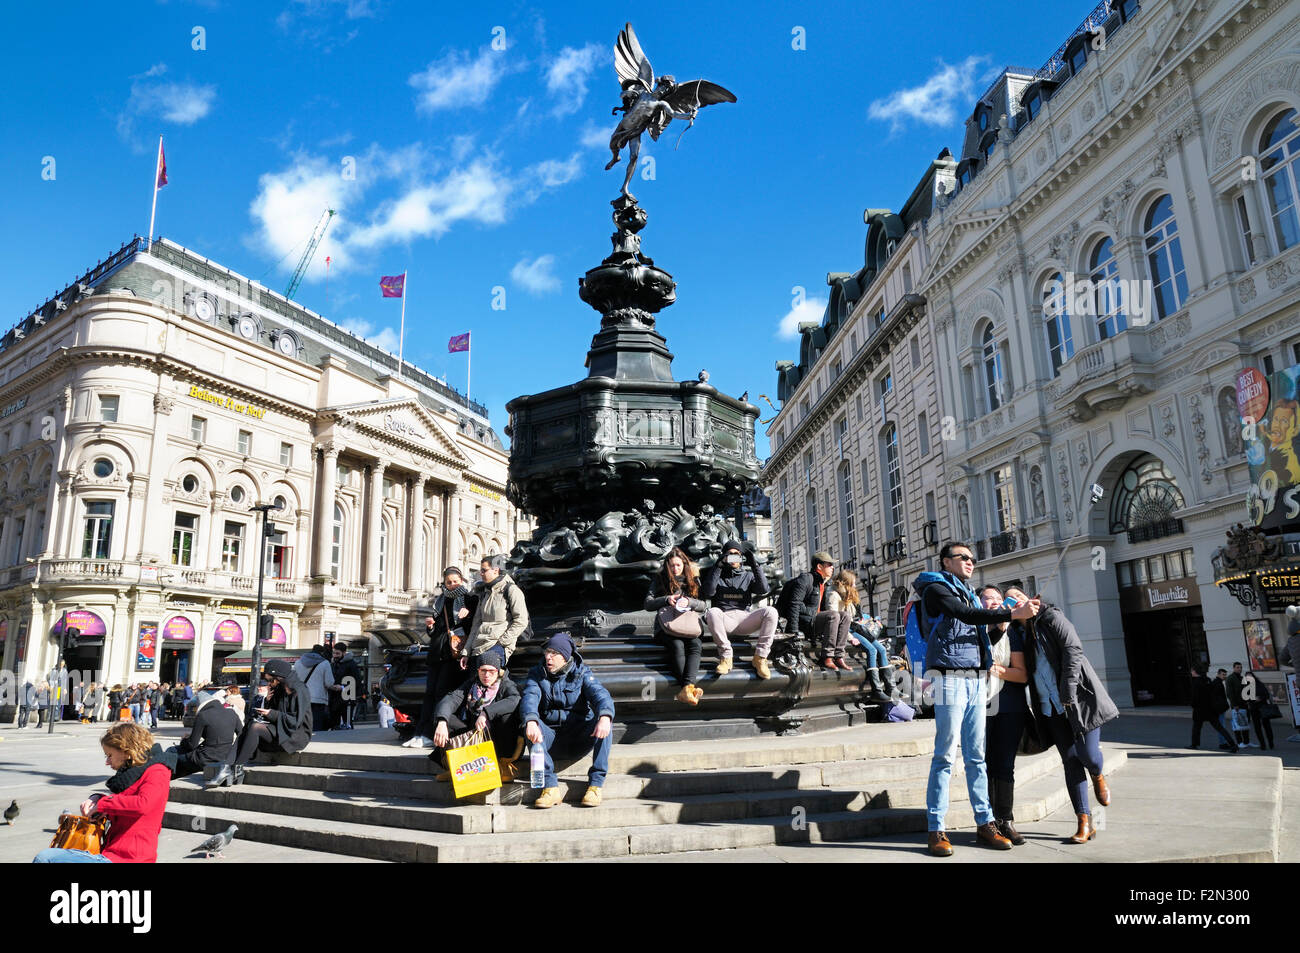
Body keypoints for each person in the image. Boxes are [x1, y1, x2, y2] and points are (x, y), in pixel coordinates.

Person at [912, 542, 1040, 857]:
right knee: (944, 755)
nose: (970, 562)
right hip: (949, 678)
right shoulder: (936, 589)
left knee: (976, 758)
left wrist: (1002, 626)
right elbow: (964, 615)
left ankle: (985, 823)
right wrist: (1010, 611)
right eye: (963, 557)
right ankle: (936, 829)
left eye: (972, 558)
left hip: (974, 680)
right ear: (946, 561)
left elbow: (982, 639)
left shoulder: (968, 592)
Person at [1009, 585, 1117, 845]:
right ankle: (1084, 822)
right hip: (1049, 708)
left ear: (1031, 599)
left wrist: (1067, 691)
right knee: (1070, 762)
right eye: (1011, 603)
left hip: (1078, 701)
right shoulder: (1019, 634)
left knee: (1088, 755)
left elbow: (1073, 651)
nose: (1017, 604)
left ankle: (1098, 773)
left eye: (1019, 598)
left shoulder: (1051, 617)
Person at [33, 723, 176, 863]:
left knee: (45, 858)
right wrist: (97, 798)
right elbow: (125, 800)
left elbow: (143, 804)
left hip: (129, 858)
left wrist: (104, 804)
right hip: (112, 853)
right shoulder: (133, 773)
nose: (107, 762)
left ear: (126, 751)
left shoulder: (157, 771)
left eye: (110, 755)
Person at [521, 633, 615, 809]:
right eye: (547, 652)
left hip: (578, 738)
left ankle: (595, 785)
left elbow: (600, 695)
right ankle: (548, 787)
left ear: (565, 657)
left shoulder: (582, 673)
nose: (548, 657)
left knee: (605, 721)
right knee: (529, 723)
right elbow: (529, 698)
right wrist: (531, 720)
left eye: (553, 653)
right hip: (548, 741)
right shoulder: (536, 674)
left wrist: (605, 716)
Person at [979, 585, 1030, 846]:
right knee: (984, 764)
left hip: (1010, 705)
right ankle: (987, 822)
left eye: (999, 599)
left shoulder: (1013, 633)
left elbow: (1021, 674)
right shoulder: (975, 631)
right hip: (981, 707)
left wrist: (995, 669)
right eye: (988, 599)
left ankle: (1006, 820)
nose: (995, 602)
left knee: (1005, 765)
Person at [405, 567, 474, 748]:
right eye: (448, 582)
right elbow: (436, 632)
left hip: (454, 655)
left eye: (455, 581)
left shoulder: (468, 599)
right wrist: (430, 627)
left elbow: (473, 626)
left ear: (461, 580)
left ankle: (432, 733)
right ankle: (420, 732)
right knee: (429, 693)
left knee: (441, 693)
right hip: (437, 652)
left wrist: (467, 617)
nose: (452, 585)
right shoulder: (440, 601)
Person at [430, 647, 525, 780]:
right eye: (483, 670)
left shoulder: (506, 685)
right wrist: (441, 722)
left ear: (497, 672)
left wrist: (485, 713)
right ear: (478, 671)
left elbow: (514, 700)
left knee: (507, 717)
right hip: (476, 733)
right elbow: (451, 699)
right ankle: (455, 766)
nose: (487, 675)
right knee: (444, 717)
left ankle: (503, 765)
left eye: (491, 671)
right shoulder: (472, 684)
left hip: (497, 737)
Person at [700, 540, 778, 680]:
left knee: (771, 611)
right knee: (712, 612)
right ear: (724, 556)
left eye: (737, 554)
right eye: (730, 554)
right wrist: (718, 565)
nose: (734, 557)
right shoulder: (717, 573)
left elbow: (763, 589)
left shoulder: (748, 575)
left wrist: (754, 564)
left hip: (745, 619)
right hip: (724, 620)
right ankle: (726, 657)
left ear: (741, 557)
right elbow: (708, 592)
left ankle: (760, 657)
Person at [645, 547, 707, 705]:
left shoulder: (692, 580)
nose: (675, 568)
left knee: (696, 644)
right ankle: (688, 688)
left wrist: (690, 602)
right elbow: (648, 603)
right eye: (672, 565)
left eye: (678, 565)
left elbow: (703, 605)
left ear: (684, 565)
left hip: (688, 627)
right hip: (666, 628)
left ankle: (686, 689)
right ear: (667, 566)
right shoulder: (659, 579)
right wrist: (666, 599)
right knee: (677, 645)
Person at [231, 659, 312, 773]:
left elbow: (295, 721)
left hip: (295, 735)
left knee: (256, 727)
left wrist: (271, 713)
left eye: (270, 680)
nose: (268, 683)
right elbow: (274, 713)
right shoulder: (279, 688)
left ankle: (236, 768)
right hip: (281, 730)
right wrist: (268, 701)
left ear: (279, 677)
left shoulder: (299, 690)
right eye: (266, 680)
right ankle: (229, 763)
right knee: (249, 726)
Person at [778, 551, 849, 671]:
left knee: (845, 616)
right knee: (833, 615)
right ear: (819, 566)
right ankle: (826, 657)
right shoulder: (806, 579)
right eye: (829, 565)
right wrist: (793, 632)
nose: (832, 568)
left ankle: (838, 656)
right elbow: (794, 605)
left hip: (814, 622)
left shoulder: (822, 583)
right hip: (805, 624)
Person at [461, 554, 529, 671]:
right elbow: (476, 625)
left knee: (489, 684)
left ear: (495, 570)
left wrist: (501, 642)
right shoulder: (484, 594)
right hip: (478, 647)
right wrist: (466, 652)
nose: (481, 573)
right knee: (474, 686)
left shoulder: (511, 590)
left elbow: (521, 621)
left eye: (484, 570)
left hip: (496, 647)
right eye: (480, 570)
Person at [172, 690, 242, 786]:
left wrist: (184, 740)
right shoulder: (231, 713)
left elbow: (192, 745)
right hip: (226, 756)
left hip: (205, 758)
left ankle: (168, 782)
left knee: (172, 752)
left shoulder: (203, 715)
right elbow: (241, 734)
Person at [848, 610, 894, 702]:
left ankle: (891, 688)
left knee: (882, 649)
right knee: (872, 650)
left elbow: (857, 617)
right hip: (850, 630)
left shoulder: (852, 600)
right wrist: (850, 637)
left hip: (858, 628)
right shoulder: (837, 597)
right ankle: (876, 691)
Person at [1190, 668, 1238, 752]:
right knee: (1219, 727)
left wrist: (1193, 705)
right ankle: (1233, 744)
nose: (1191, 672)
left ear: (1195, 672)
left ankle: (1194, 744)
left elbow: (1195, 697)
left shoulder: (1196, 682)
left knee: (1196, 728)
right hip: (1210, 709)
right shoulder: (1208, 680)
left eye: (1192, 671)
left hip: (1200, 710)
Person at [293, 644, 338, 733]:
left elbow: (294, 680)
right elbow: (329, 683)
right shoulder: (325, 663)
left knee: (302, 721)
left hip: (301, 698)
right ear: (322, 653)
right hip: (318, 699)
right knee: (316, 724)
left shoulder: (298, 662)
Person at [331, 642, 363, 730]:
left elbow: (356, 681)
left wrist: (342, 687)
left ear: (344, 653)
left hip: (347, 699)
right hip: (335, 697)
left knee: (347, 721)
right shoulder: (334, 664)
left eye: (338, 653)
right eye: (334, 653)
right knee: (335, 722)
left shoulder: (351, 664)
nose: (335, 655)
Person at [1241, 669, 1276, 750]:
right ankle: (1262, 744)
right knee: (1257, 727)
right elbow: (1244, 698)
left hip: (1263, 708)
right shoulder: (1245, 687)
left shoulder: (1260, 684)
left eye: (1250, 676)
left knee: (1267, 726)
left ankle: (1271, 743)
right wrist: (1252, 699)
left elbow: (1267, 695)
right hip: (1254, 709)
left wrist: (1260, 698)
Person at [1226, 662, 1254, 747]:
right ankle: (1239, 742)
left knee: (1245, 723)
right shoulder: (1230, 678)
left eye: (1241, 667)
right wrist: (1234, 705)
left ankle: (1246, 741)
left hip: (1244, 704)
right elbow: (1230, 693)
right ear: (1234, 668)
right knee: (1237, 723)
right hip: (1237, 705)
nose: (1240, 669)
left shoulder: (1242, 678)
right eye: (1238, 667)